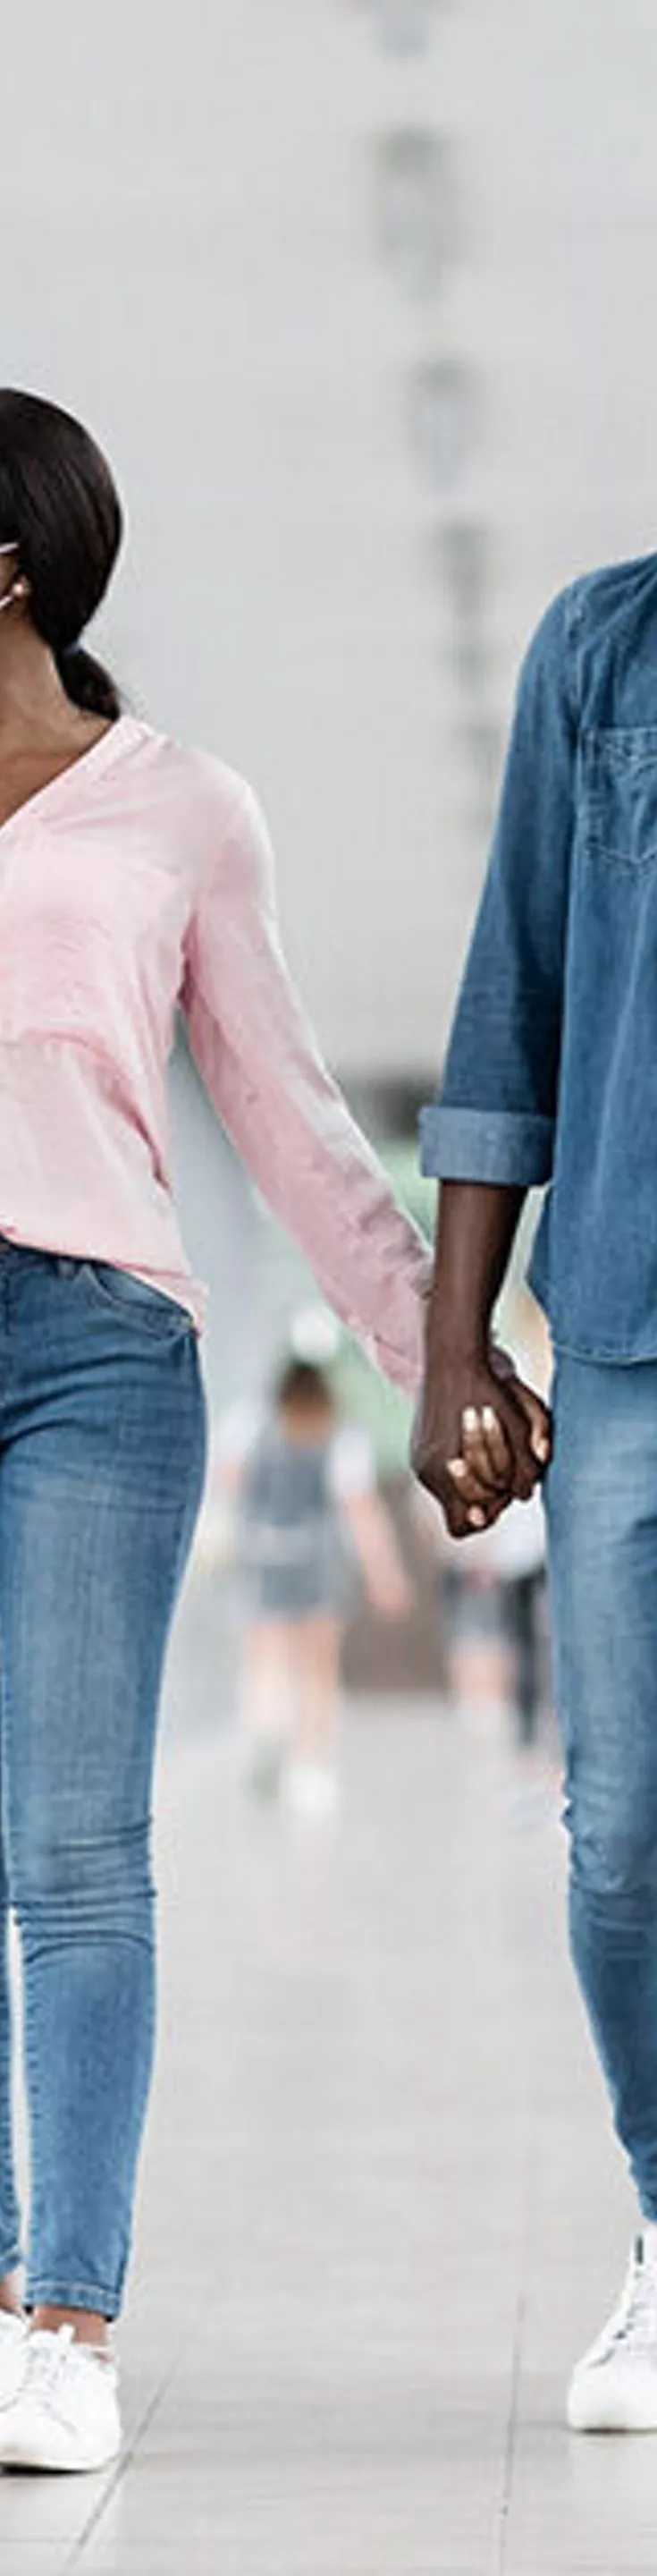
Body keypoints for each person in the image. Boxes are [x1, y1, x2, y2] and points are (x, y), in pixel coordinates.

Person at [0, 388, 431, 2470]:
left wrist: (442, 1357)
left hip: (92, 1351)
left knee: (74, 1845)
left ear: (9, 568)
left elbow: (289, 1120)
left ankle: (63, 2318)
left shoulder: (180, 813)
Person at [413, 549, 657, 2433]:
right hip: (633, 1329)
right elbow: (516, 993)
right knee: (623, 1841)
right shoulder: (600, 642)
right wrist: (446, 1346)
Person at [221, 1356, 412, 1811]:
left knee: (264, 1660)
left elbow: (226, 1482)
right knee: (318, 1670)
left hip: (264, 1554)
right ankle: (311, 1766)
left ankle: (266, 1735)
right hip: (319, 1562)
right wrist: (385, 1575)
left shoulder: (251, 1421)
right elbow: (360, 1512)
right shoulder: (341, 1433)